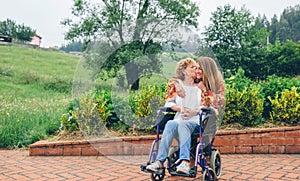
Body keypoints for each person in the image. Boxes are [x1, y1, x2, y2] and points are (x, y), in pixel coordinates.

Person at [146, 58, 202, 174]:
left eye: (196, 67)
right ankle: (159, 162)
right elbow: (169, 102)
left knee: (184, 124)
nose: (196, 69)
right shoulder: (177, 86)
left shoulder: (201, 86)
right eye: (192, 67)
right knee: (170, 123)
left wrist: (193, 111)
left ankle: (185, 162)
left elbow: (207, 104)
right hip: (179, 119)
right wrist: (180, 109)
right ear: (184, 71)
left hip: (195, 121)